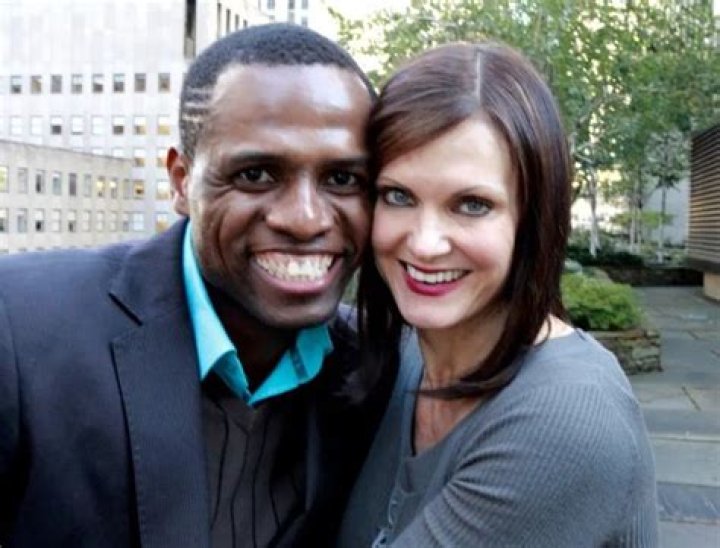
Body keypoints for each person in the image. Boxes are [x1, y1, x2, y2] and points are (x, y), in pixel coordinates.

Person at [0, 23, 385, 547]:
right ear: (182, 181)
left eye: (342, 179)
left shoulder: (383, 366)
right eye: (256, 174)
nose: (305, 219)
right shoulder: (21, 331)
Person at [338, 42, 658, 547]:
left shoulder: (566, 421)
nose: (424, 243)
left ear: (531, 218)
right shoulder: (408, 354)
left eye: (471, 205)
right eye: (398, 196)